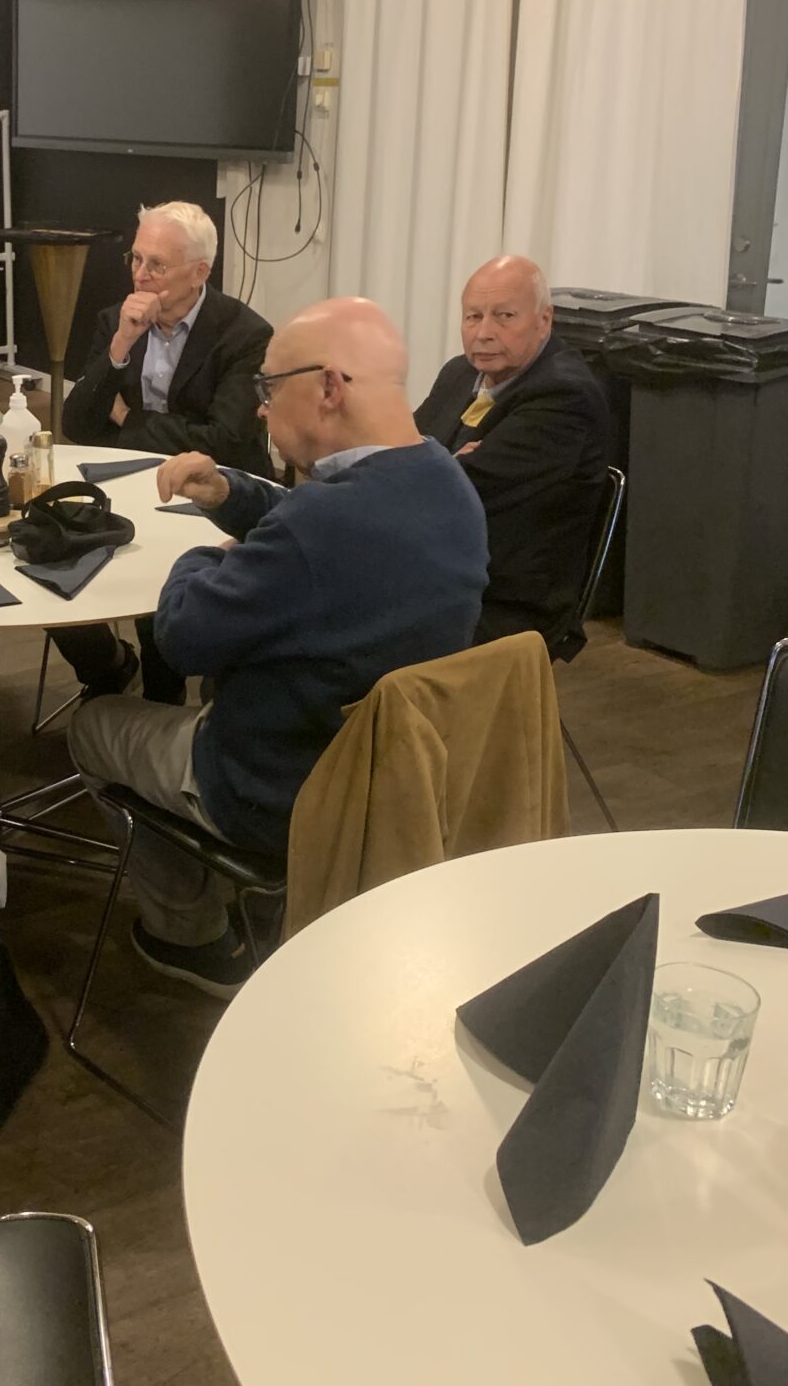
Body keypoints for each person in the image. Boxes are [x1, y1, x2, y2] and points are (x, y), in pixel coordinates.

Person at [70, 297, 488, 999]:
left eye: (269, 387)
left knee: (94, 724)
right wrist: (229, 493)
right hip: (394, 779)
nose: (261, 408)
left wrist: (199, 555)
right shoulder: (444, 482)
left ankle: (190, 935)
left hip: (271, 787)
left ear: (328, 388)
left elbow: (182, 636)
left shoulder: (320, 524)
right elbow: (312, 527)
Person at [58, 201, 274, 701]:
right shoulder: (117, 320)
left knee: (160, 582)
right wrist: (120, 346)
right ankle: (111, 671)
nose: (140, 274)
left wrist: (126, 420)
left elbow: (221, 441)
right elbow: (77, 425)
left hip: (216, 494)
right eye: (135, 259)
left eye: (157, 264)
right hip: (132, 483)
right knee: (58, 552)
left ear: (200, 272)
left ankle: (163, 702)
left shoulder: (245, 334)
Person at [414, 255, 610, 648]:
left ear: (544, 320)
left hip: (505, 600)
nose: (484, 333)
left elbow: (457, 493)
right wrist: (445, 463)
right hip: (438, 567)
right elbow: (400, 452)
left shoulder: (564, 395)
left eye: (504, 316)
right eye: (473, 317)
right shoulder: (460, 372)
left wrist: (436, 466)